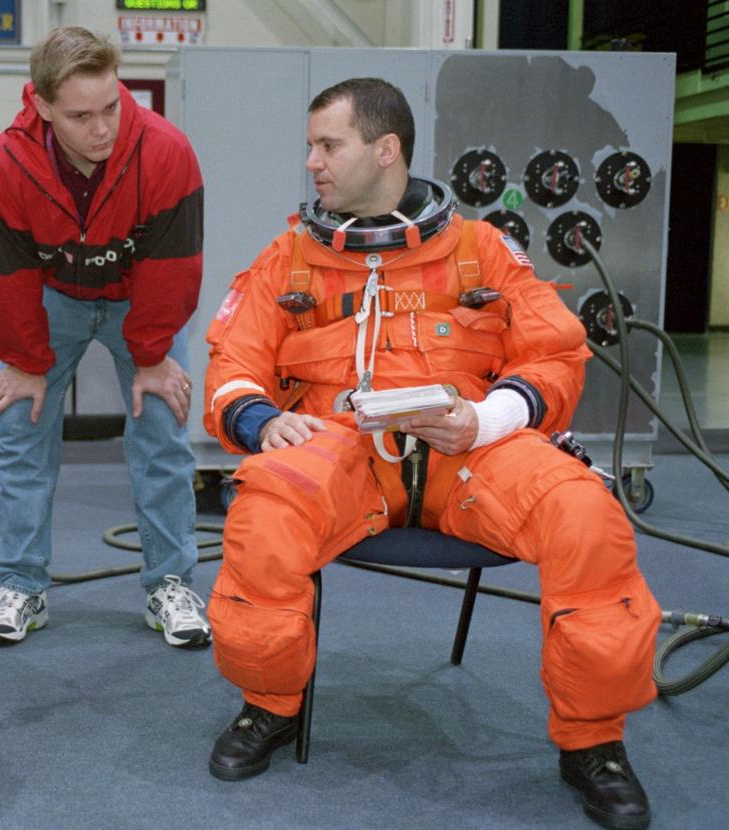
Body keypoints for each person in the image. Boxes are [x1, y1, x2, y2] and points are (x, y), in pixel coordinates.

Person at [202, 78, 659, 830]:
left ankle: (594, 742)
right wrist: (256, 421)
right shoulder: (289, 258)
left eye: (328, 145)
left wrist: (486, 418)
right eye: (310, 146)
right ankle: (270, 705)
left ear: (386, 150)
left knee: (587, 515)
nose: (311, 162)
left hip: (471, 451)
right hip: (340, 452)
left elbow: (556, 357)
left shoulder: (482, 252)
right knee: (265, 514)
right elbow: (233, 362)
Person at [0, 26, 209, 648]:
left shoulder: (164, 150)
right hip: (53, 299)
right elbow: (6, 269)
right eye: (80, 116)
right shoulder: (7, 160)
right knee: (24, 429)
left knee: (162, 432)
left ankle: (171, 585)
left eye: (112, 106)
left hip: (141, 299)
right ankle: (21, 584)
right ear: (43, 107)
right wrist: (23, 362)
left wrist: (154, 357)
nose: (102, 128)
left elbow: (173, 264)